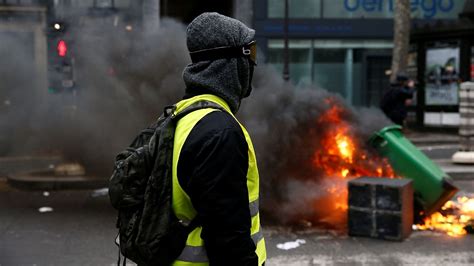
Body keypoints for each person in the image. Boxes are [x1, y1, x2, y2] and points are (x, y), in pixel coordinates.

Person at [170, 13, 266, 266]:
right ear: (229, 65)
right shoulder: (220, 132)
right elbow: (229, 241)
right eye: (250, 54)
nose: (253, 65)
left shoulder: (180, 117)